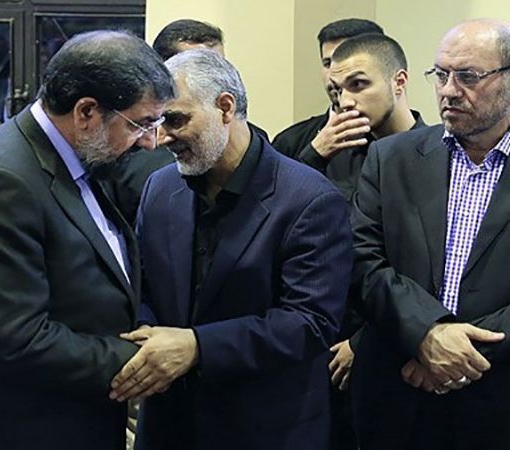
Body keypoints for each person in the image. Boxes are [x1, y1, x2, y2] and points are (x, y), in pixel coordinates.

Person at [0, 30, 174, 450]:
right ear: (86, 111)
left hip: (75, 415)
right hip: (17, 428)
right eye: (141, 124)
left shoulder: (81, 157)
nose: (151, 141)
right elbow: (16, 340)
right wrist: (145, 360)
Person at [110, 49, 352, 450]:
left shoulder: (309, 199)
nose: (161, 138)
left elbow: (310, 323)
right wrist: (149, 338)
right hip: (170, 423)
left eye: (176, 120)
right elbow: (141, 286)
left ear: (225, 107)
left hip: (265, 427)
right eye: (155, 122)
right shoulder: (161, 187)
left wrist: (196, 347)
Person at [350, 19, 510, 450]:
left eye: (468, 76)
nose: (449, 91)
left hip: (509, 406)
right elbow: (361, 260)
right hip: (398, 400)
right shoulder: (390, 158)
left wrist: (460, 353)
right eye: (440, 74)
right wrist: (427, 333)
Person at [320, 32, 426, 450]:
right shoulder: (330, 154)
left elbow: (428, 267)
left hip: (397, 350)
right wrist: (314, 155)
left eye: (358, 85)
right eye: (337, 90)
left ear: (399, 82)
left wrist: (364, 341)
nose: (346, 101)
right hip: (322, 351)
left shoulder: (437, 157)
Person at [96, 19, 267, 226]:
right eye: (198, 65)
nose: (215, 76)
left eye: (218, 65)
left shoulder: (254, 145)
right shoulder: (128, 152)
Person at [271, 18, 383, 161]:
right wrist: (313, 155)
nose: (334, 74)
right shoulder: (291, 142)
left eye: (344, 62)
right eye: (327, 63)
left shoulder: (404, 141)